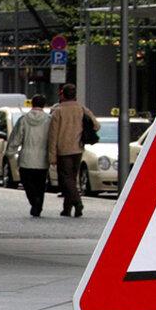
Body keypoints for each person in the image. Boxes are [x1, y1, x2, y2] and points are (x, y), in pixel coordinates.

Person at [47, 83, 99, 218]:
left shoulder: (58, 111)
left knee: (66, 178)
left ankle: (77, 202)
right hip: (78, 147)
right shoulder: (81, 109)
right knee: (72, 178)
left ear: (62, 95)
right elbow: (96, 125)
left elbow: (53, 135)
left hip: (63, 149)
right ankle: (67, 208)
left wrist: (51, 155)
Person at [7, 94, 52, 218]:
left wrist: (10, 151)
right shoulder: (49, 120)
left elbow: (16, 138)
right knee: (40, 184)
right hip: (42, 158)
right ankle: (38, 204)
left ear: (32, 103)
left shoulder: (24, 119)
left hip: (26, 157)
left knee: (27, 183)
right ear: (44, 105)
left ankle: (33, 200)